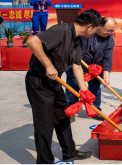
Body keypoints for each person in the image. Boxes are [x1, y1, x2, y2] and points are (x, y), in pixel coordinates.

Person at [25, 9, 103, 164]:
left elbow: (77, 66)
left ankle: (69, 152)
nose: (95, 32)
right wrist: (48, 66)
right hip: (39, 82)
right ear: (89, 26)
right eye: (95, 29)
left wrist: (84, 91)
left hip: (55, 82)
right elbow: (32, 41)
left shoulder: (78, 40)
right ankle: (44, 162)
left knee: (63, 117)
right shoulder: (61, 30)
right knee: (44, 125)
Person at [65, 17, 116, 122]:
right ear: (100, 25)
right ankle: (71, 111)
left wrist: (106, 76)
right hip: (77, 64)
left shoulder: (109, 40)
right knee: (73, 88)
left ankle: (95, 110)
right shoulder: (87, 32)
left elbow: (107, 58)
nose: (110, 33)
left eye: (112, 30)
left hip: (95, 68)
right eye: (108, 30)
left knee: (95, 89)